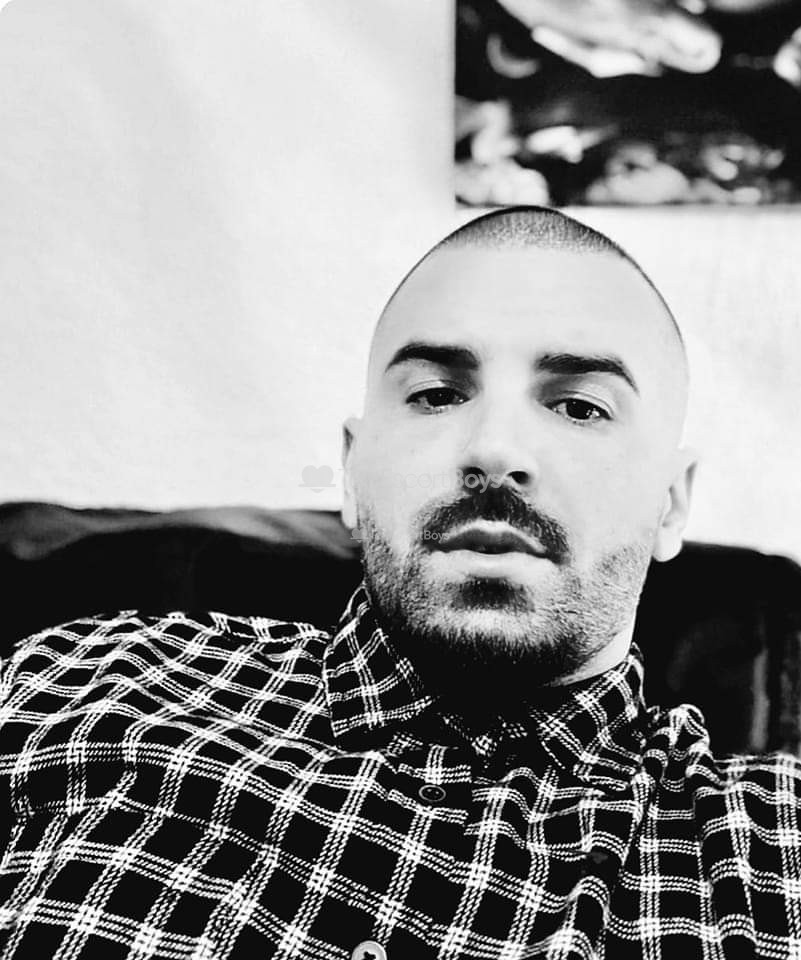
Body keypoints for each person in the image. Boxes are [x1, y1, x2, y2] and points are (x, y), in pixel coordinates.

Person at [0, 206, 798, 960]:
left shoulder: (775, 847)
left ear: (671, 502)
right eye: (436, 394)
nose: (494, 449)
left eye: (580, 407)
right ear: (351, 472)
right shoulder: (78, 682)